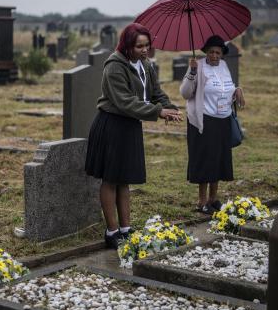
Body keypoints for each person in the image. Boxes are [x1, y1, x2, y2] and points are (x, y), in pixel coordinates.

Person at [85, 23, 183, 248]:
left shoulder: (145, 64)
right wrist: (158, 112)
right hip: (112, 124)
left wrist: (169, 108)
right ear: (127, 45)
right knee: (110, 179)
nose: (145, 49)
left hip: (129, 125)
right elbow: (124, 101)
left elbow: (156, 92)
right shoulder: (114, 66)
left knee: (124, 179)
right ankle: (111, 232)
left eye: (147, 45)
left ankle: (126, 229)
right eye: (139, 46)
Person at [180, 35, 245, 214]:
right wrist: (191, 73)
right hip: (204, 119)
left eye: (218, 52)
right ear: (206, 52)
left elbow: (228, 87)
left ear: (222, 54)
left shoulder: (224, 66)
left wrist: (237, 90)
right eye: (211, 52)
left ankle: (213, 198)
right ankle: (202, 201)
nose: (215, 55)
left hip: (223, 119)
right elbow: (185, 93)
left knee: (218, 159)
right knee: (205, 160)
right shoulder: (198, 66)